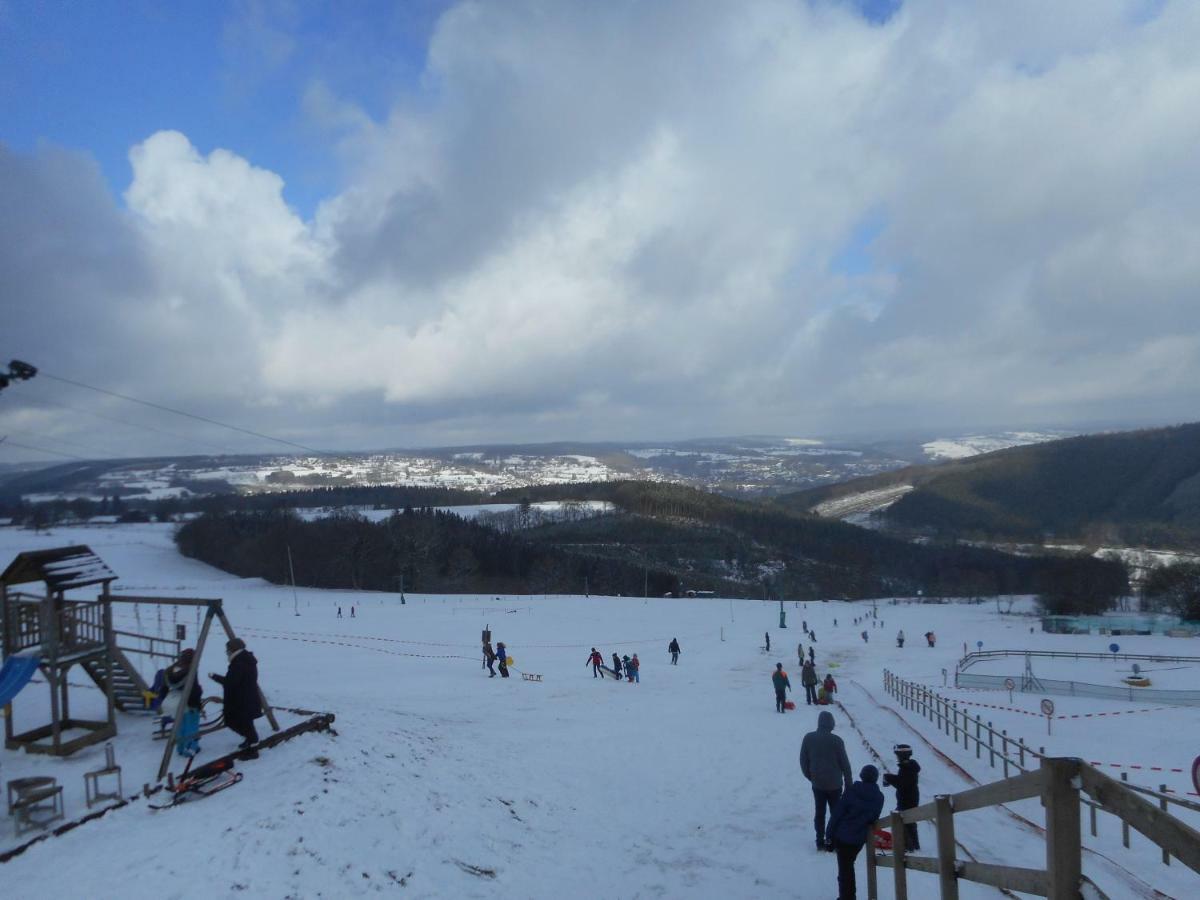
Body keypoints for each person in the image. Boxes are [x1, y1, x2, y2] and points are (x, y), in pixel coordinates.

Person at [826, 765, 885, 900]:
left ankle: (847, 897)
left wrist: (829, 835)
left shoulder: (852, 791)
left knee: (845, 870)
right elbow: (873, 817)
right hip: (859, 839)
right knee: (848, 866)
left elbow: (837, 814)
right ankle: (847, 896)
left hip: (843, 836)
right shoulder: (879, 798)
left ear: (862, 776)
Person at [800, 710, 853, 851]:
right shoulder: (837, 741)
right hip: (835, 784)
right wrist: (849, 785)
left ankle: (819, 840)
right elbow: (845, 765)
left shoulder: (808, 738)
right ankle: (833, 840)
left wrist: (811, 776)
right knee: (836, 812)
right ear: (831, 724)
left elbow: (803, 761)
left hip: (818, 783)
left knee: (819, 812)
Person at [210, 638, 263, 758]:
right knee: (244, 723)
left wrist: (216, 677)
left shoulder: (239, 662)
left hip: (241, 700)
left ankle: (253, 750)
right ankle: (250, 741)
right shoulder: (244, 659)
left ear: (232, 649)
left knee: (238, 722)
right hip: (245, 697)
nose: (226, 652)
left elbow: (232, 682)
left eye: (227, 649)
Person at [163, 648, 203, 757]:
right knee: (192, 726)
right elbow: (193, 688)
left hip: (176, 702)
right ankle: (190, 748)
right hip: (190, 702)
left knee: (180, 725)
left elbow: (164, 686)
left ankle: (180, 748)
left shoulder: (171, 670)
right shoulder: (191, 669)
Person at [882, 744, 921, 850]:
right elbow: (902, 781)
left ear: (901, 755)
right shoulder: (908, 767)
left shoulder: (907, 768)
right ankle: (912, 844)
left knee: (904, 820)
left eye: (898, 755)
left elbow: (902, 784)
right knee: (908, 821)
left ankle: (909, 845)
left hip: (907, 800)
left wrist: (889, 778)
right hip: (909, 798)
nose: (897, 757)